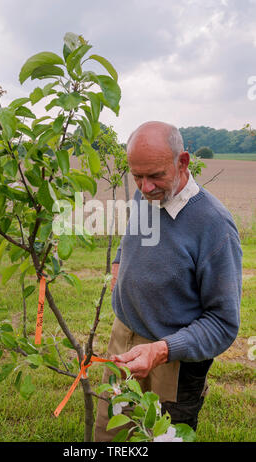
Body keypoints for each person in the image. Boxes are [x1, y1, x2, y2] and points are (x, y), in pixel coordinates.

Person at [94, 121, 242, 442]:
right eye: (137, 176)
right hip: (124, 338)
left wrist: (161, 350)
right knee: (112, 430)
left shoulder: (215, 226)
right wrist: (121, 260)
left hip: (173, 361)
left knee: (156, 437)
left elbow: (223, 324)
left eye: (155, 176)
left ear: (182, 162)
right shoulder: (146, 195)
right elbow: (136, 233)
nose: (145, 187)